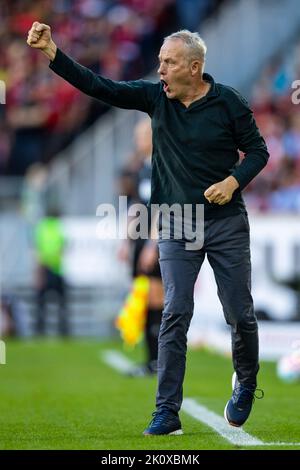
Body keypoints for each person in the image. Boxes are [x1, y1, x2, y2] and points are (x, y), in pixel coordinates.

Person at [27, 24, 269, 435]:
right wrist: (53, 51)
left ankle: (246, 381)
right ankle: (166, 411)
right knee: (175, 311)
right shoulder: (156, 98)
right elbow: (100, 86)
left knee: (240, 313)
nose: (160, 69)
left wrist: (233, 182)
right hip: (176, 223)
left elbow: (259, 152)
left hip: (226, 222)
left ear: (194, 67)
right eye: (159, 61)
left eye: (169, 62)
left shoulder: (229, 103)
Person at [118, 118, 163, 376]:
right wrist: (126, 241)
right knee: (144, 299)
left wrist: (152, 245)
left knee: (157, 299)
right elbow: (136, 206)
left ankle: (158, 360)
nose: (138, 140)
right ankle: (151, 360)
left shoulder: (161, 167)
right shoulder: (141, 169)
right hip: (140, 242)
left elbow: (163, 209)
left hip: (155, 243)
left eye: (142, 135)